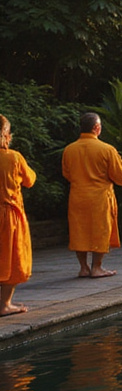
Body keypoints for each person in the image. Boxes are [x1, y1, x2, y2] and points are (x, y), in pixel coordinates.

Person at [62, 112, 122, 278]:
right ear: (96, 128)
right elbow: (121, 178)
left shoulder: (69, 149)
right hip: (100, 198)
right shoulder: (106, 149)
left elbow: (67, 174)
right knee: (100, 231)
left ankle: (83, 268)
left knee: (79, 231)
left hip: (78, 196)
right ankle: (96, 267)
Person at [1, 116, 36, 316]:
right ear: (6, 135)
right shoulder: (13, 157)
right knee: (12, 257)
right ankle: (4, 303)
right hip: (8, 215)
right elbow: (30, 179)